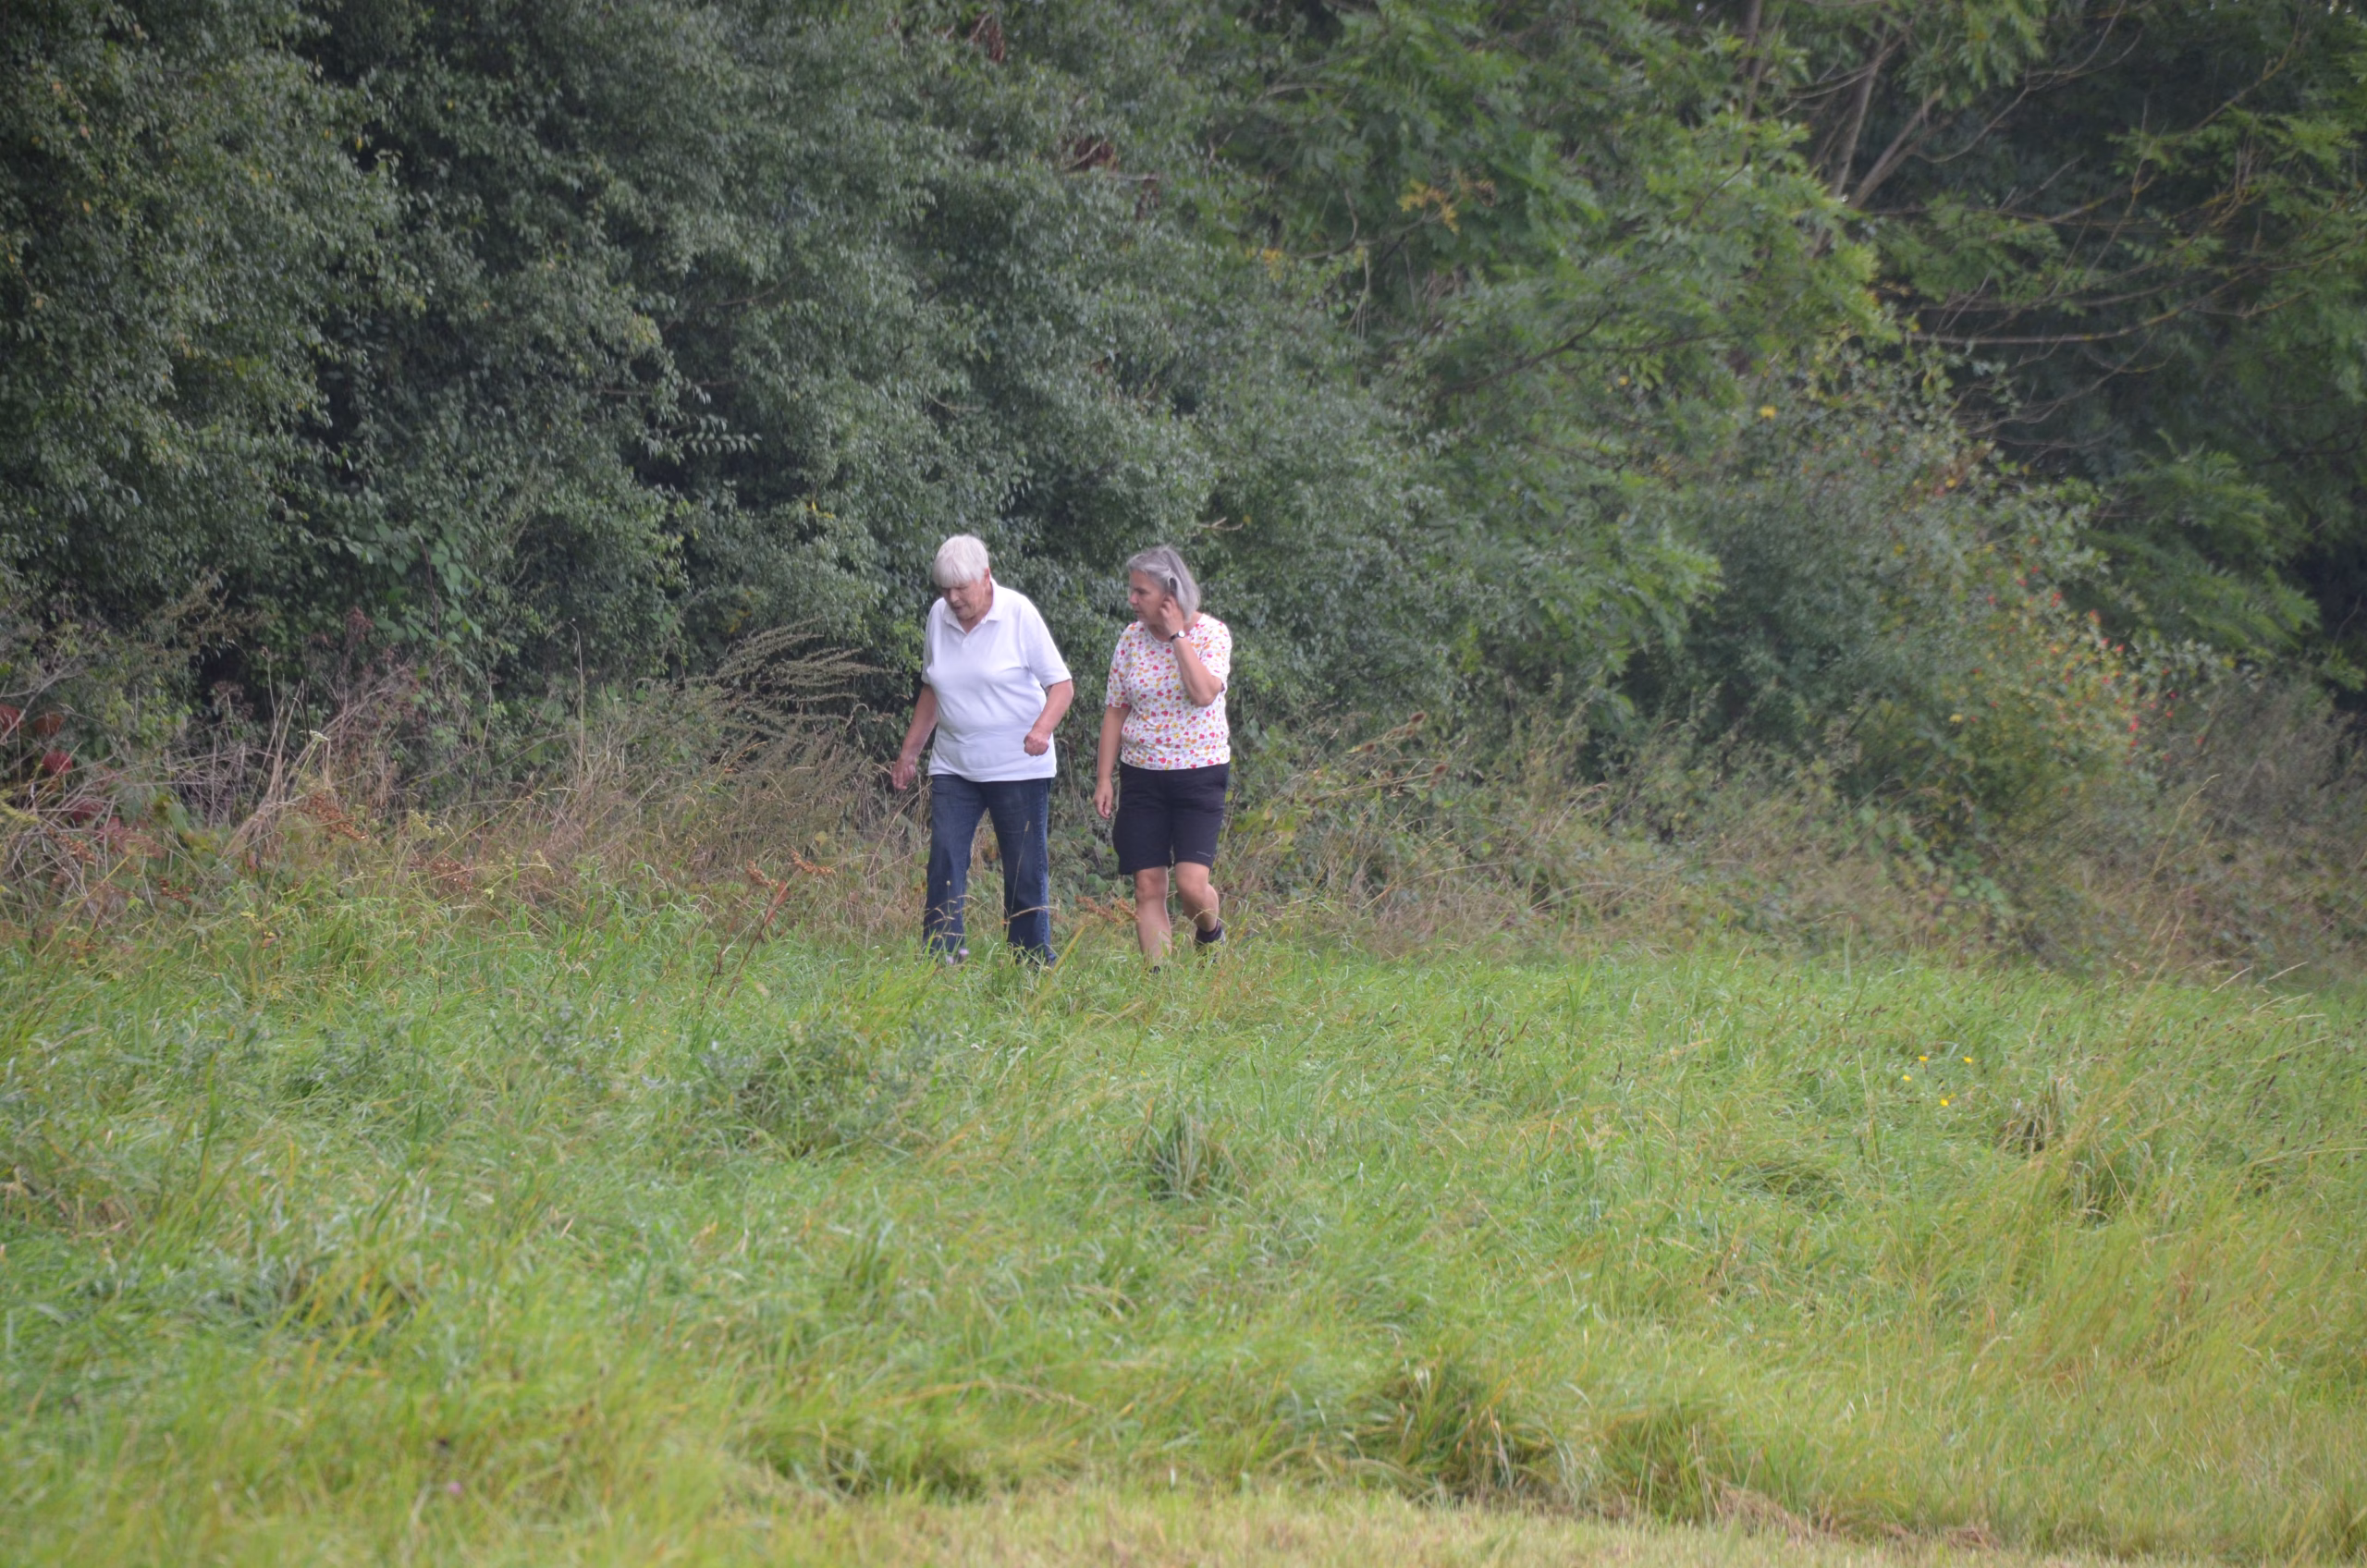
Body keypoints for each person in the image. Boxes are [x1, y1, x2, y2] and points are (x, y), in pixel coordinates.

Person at [891, 534, 1074, 965]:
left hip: (1018, 768)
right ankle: (943, 959)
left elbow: (1062, 686)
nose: (952, 599)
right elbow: (933, 688)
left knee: (1025, 870)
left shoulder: (1018, 614)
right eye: (944, 589)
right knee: (945, 861)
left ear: (986, 577)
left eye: (961, 589)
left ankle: (1029, 964)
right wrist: (909, 753)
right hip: (955, 766)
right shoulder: (939, 616)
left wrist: (1042, 730)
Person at [1095, 544, 1232, 962]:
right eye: (1132, 591)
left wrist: (1177, 636)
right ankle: (1161, 986)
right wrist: (1104, 779)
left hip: (1200, 774)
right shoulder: (1130, 639)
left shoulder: (1211, 634)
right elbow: (1115, 712)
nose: (1132, 600)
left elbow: (1203, 693)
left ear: (1170, 596)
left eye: (1141, 592)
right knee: (1148, 886)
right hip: (1142, 777)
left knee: (1192, 886)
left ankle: (1210, 931)